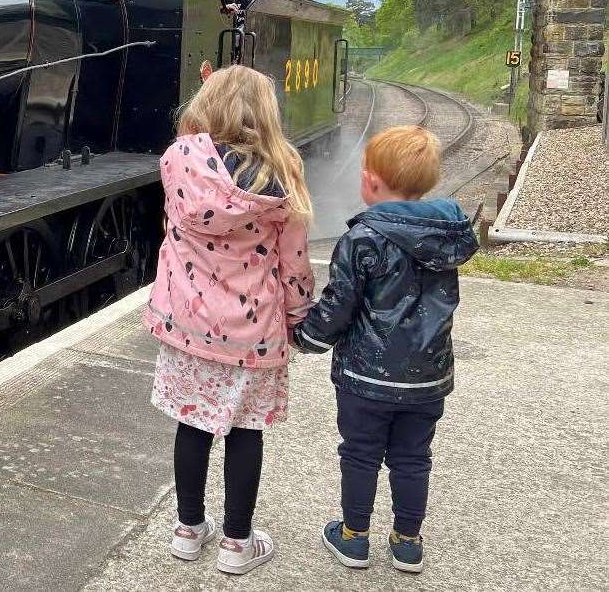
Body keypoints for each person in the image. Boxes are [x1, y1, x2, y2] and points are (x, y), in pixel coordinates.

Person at [143, 65, 315, 576]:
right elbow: (294, 263)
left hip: (186, 325)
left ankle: (188, 530)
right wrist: (300, 314)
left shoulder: (177, 160)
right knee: (245, 432)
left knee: (192, 425)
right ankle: (238, 542)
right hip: (253, 330)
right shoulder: (280, 175)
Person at [293, 125, 478, 574]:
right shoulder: (446, 234)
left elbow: (340, 304)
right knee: (413, 457)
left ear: (372, 181)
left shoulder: (363, 239)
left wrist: (307, 337)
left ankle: (354, 537)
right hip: (427, 377)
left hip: (366, 377)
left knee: (360, 453)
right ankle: (407, 543)